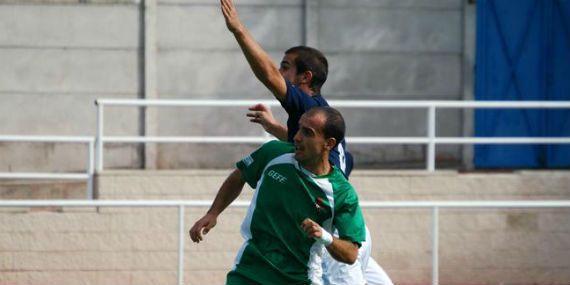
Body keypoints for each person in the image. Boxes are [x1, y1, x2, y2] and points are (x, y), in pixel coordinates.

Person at [220, 0, 394, 284]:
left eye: (286, 67)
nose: (280, 71)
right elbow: (305, 146)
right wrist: (275, 127)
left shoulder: (307, 103)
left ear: (305, 77)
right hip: (348, 232)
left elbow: (267, 75)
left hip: (330, 237)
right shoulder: (320, 123)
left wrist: (238, 30)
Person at [189, 107, 366, 285]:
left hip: (299, 279)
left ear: (329, 143)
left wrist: (324, 236)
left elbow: (351, 254)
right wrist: (213, 213)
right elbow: (239, 175)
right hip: (250, 270)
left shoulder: (342, 193)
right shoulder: (274, 153)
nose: (297, 137)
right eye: (299, 128)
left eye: (308, 133)